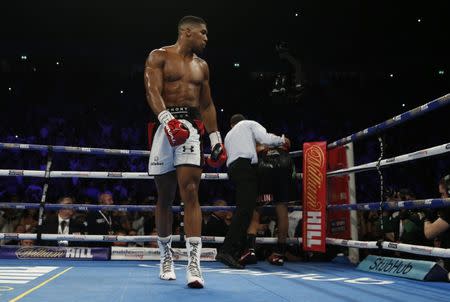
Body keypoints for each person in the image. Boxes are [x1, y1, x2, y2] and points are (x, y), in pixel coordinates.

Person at [144, 15, 226, 288]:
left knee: (190, 192)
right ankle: (166, 257)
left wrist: (216, 138)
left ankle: (194, 264)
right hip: (165, 127)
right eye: (202, 33)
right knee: (164, 197)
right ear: (187, 32)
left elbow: (207, 104)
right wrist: (168, 121)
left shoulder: (202, 66)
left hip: (190, 129)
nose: (206, 38)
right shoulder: (159, 56)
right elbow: (152, 90)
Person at [216, 114, 289, 268]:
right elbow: (265, 138)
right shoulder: (249, 124)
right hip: (246, 168)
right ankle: (227, 250)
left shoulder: (229, 135)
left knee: (246, 210)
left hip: (234, 170)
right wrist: (282, 140)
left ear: (231, 124)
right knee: (244, 211)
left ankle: (238, 251)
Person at [239, 144, 295, 266]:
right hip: (285, 163)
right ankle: (279, 255)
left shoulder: (259, 139)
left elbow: (253, 151)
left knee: (256, 210)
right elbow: (288, 143)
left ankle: (250, 251)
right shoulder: (279, 140)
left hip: (264, 165)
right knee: (282, 211)